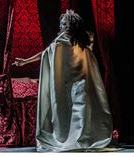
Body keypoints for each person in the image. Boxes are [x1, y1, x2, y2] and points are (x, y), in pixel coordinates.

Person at [13, 10, 113, 152]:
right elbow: (45, 53)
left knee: (81, 111)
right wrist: (25, 61)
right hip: (71, 84)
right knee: (73, 112)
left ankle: (82, 140)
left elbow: (88, 59)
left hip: (78, 83)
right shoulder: (60, 43)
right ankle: (76, 140)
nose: (63, 26)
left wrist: (90, 44)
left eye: (65, 24)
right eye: (63, 24)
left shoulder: (76, 44)